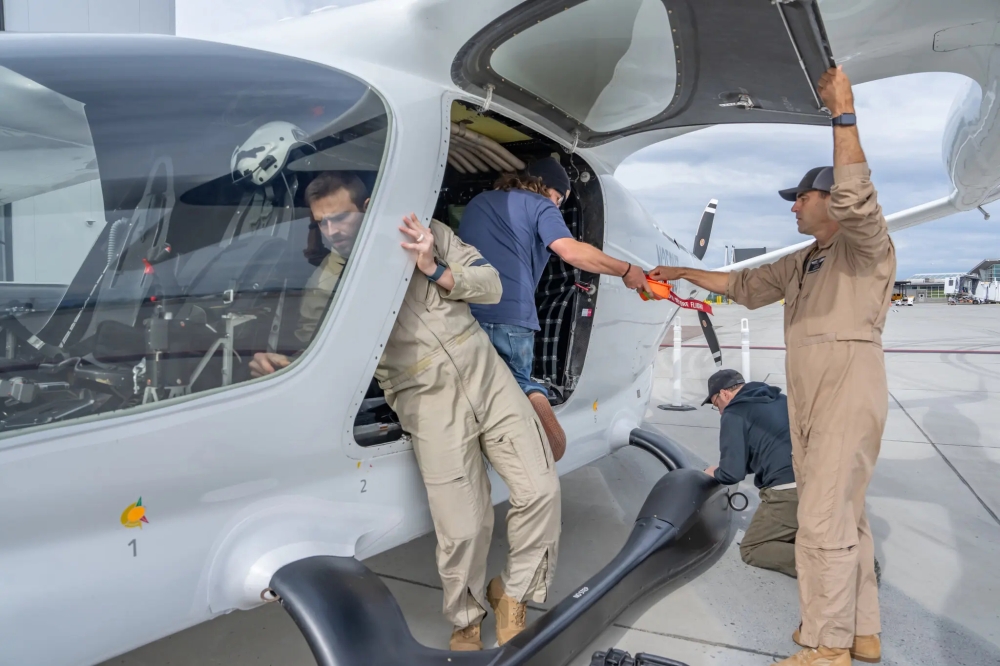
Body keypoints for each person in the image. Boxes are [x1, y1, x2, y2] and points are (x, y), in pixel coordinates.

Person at [249, 171, 561, 651]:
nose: (332, 230)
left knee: (540, 489)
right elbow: (320, 355)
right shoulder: (327, 286)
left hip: (486, 372)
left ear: (370, 204)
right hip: (423, 395)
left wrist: (435, 267)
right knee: (462, 524)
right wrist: (283, 364)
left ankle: (514, 596)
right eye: (322, 222)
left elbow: (493, 286)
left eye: (341, 216)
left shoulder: (426, 232)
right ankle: (466, 619)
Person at [648, 66, 893, 666]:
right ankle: (861, 631)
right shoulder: (807, 261)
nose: (793, 209)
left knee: (821, 524)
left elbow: (858, 195)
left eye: (801, 199)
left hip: (844, 387)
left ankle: (827, 645)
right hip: (811, 395)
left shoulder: (864, 247)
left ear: (829, 200)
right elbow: (744, 285)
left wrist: (843, 114)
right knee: (846, 518)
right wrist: (683, 273)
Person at [457, 157, 651, 461]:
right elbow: (569, 250)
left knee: (470, 384)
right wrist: (626, 269)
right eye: (560, 199)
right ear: (548, 189)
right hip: (511, 315)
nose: (558, 207)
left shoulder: (478, 202)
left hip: (463, 314)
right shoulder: (539, 204)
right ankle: (535, 402)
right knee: (516, 381)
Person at [702, 369, 798, 578]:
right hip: (821, 482)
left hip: (787, 491)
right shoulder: (778, 400)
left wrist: (714, 473)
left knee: (753, 548)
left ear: (724, 394)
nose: (719, 411)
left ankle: (836, 566)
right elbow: (770, 449)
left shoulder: (734, 412)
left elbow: (731, 473)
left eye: (715, 403)